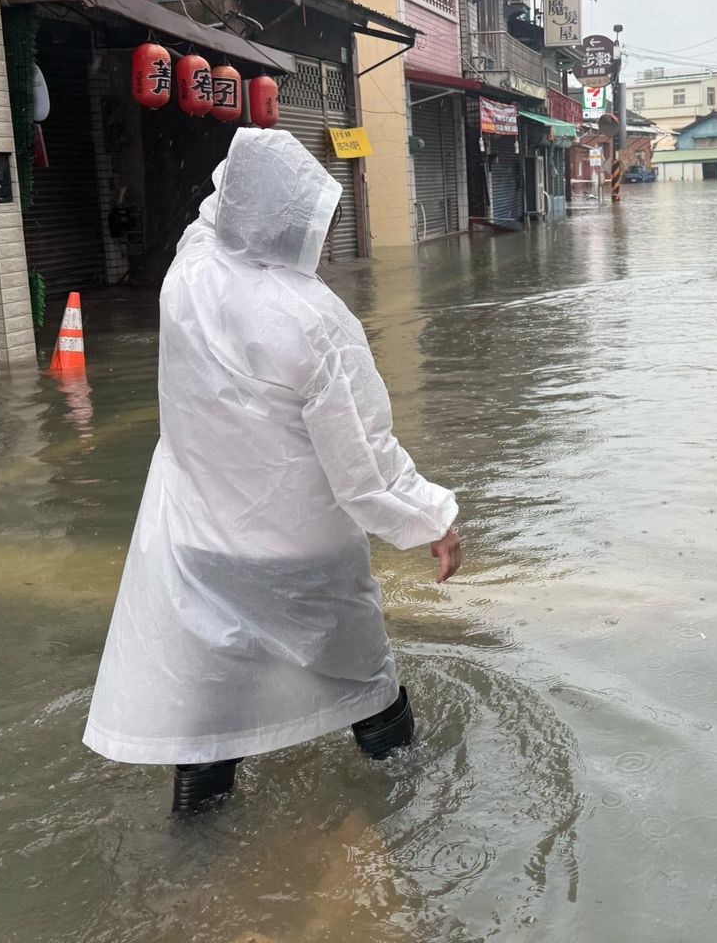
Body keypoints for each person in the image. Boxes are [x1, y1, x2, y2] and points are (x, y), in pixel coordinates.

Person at [83, 128, 462, 815]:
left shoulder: (184, 279)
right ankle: (413, 810)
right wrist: (432, 518)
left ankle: (196, 855)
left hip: (201, 550)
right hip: (301, 559)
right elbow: (364, 466)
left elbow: (212, 216)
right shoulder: (314, 318)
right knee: (369, 689)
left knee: (210, 724)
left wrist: (240, 176)